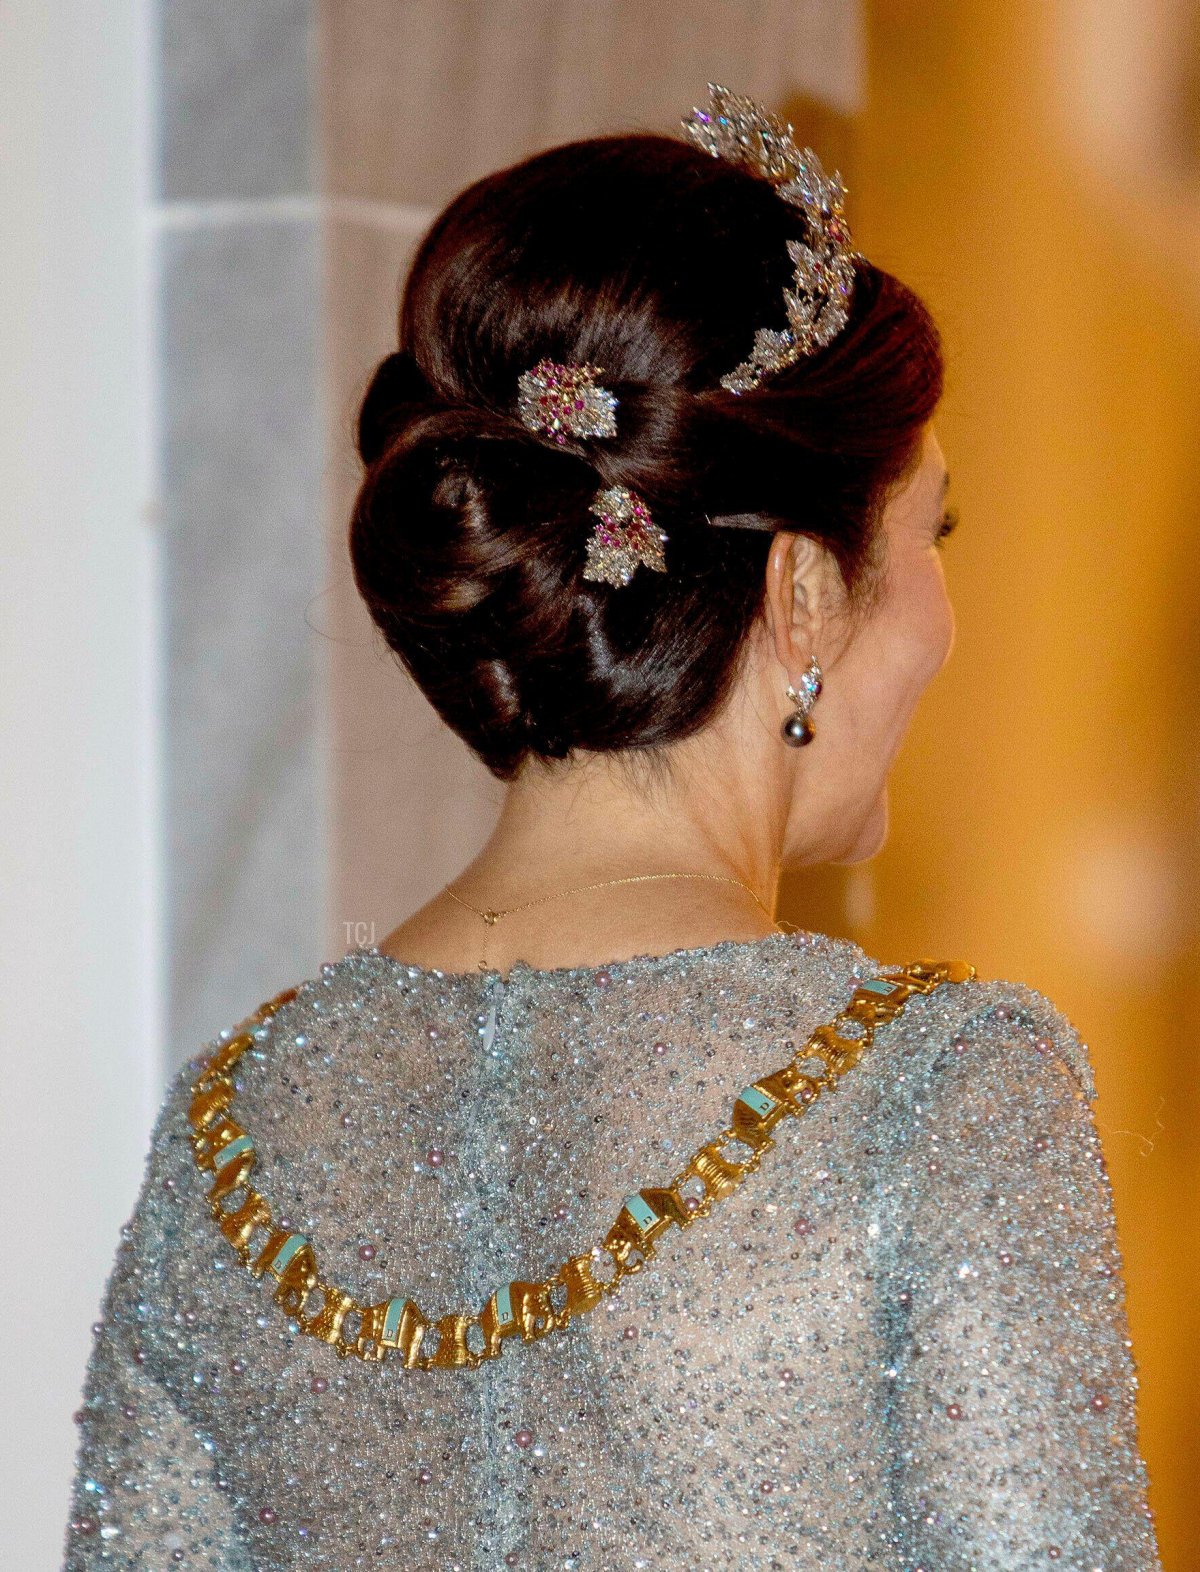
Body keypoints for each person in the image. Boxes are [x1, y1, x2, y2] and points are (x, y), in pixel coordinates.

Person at [62, 86, 1161, 1569]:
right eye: (932, 540)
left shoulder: (232, 1132)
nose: (951, 625)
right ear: (808, 593)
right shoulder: (937, 1093)